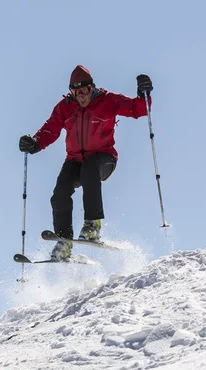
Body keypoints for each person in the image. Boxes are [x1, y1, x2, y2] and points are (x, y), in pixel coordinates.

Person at [18, 65, 153, 261]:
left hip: (103, 158)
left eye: (85, 91)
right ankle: (64, 240)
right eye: (76, 92)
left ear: (92, 88)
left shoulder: (108, 101)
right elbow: (50, 129)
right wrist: (34, 144)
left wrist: (143, 95)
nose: (81, 96)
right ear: (71, 92)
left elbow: (136, 109)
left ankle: (92, 224)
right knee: (59, 193)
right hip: (75, 160)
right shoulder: (64, 107)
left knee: (89, 170)